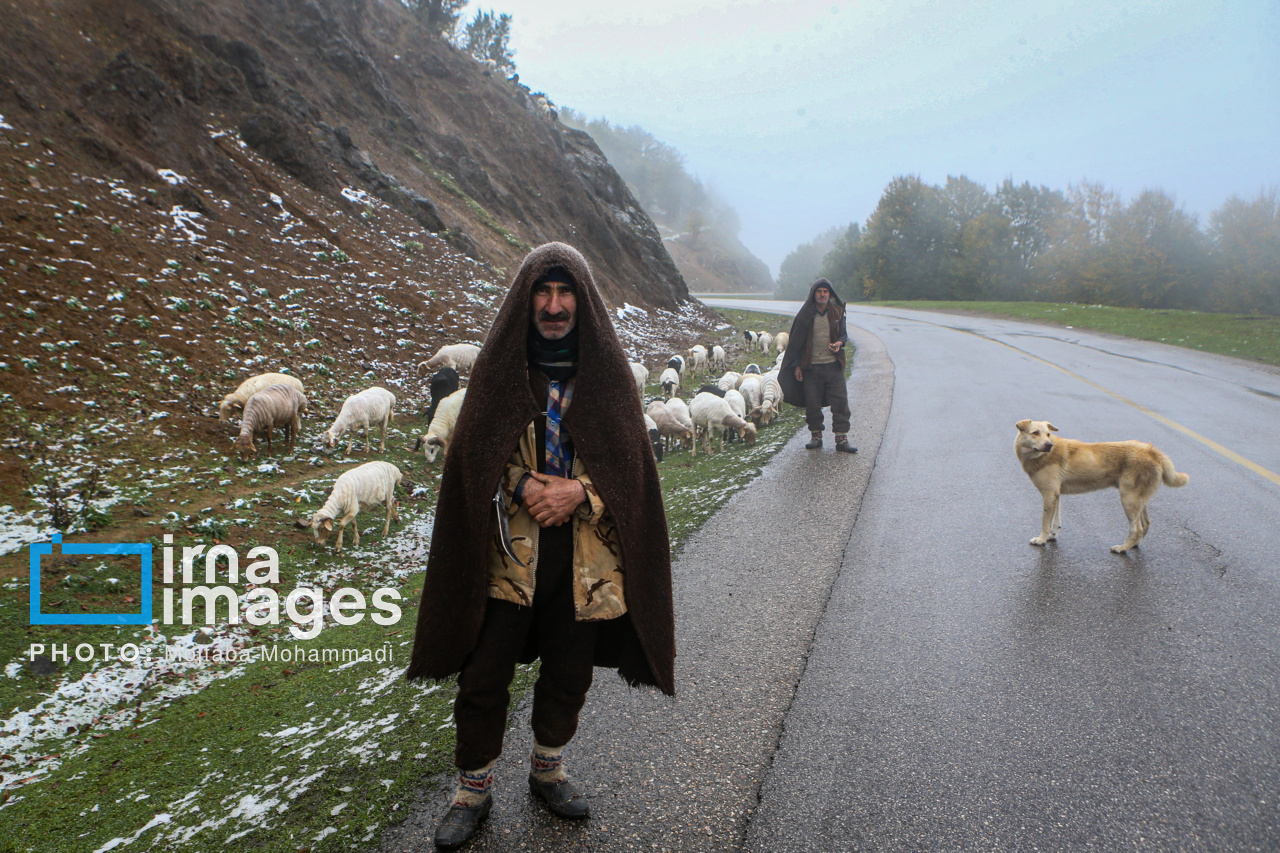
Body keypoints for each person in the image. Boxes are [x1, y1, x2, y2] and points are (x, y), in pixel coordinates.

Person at [406, 242, 675, 850]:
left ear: (582, 301)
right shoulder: (502, 373)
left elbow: (632, 466)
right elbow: (473, 454)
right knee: (484, 667)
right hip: (508, 550)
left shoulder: (605, 378)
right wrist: (523, 482)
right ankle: (472, 789)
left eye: (565, 294)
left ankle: (547, 769)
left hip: (584, 560)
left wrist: (580, 492)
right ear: (526, 300)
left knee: (570, 669)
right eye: (543, 294)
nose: (554, 307)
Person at [778, 278, 857, 453]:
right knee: (812, 403)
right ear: (814, 294)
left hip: (833, 366)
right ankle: (816, 436)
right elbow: (797, 342)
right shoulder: (806, 314)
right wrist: (797, 365)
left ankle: (841, 439)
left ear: (830, 294)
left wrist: (839, 343)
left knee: (840, 402)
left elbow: (843, 335)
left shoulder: (837, 312)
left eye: (825, 292)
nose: (822, 295)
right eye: (819, 291)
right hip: (811, 368)